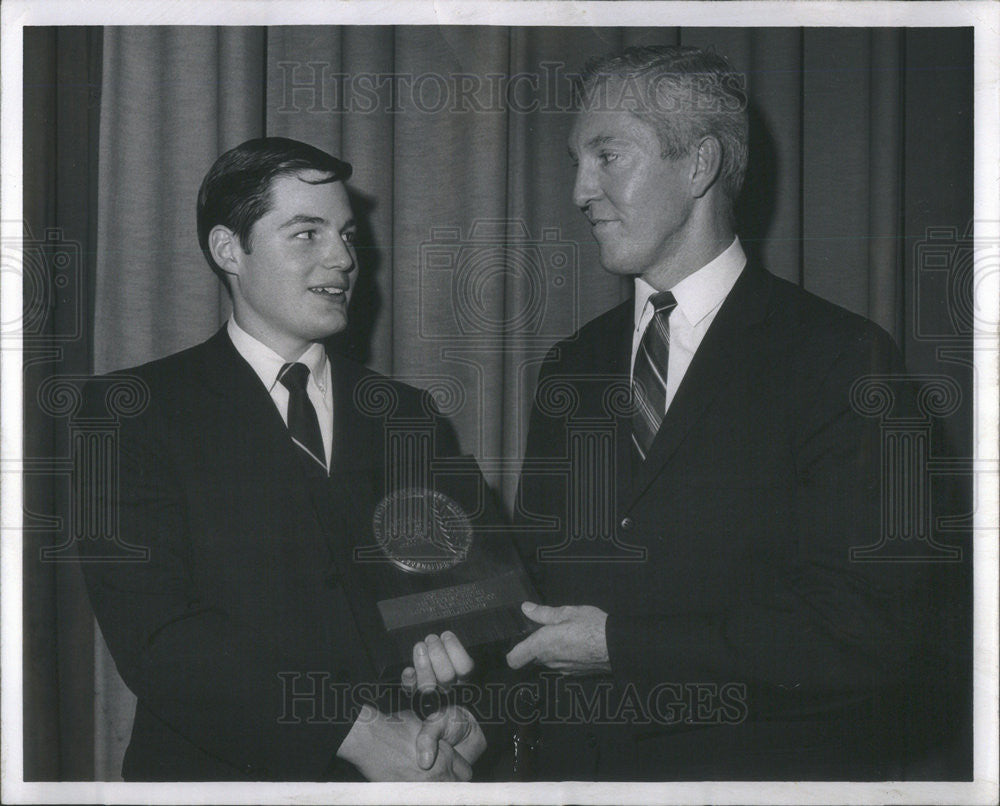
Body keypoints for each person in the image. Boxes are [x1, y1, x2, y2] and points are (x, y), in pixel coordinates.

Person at [404, 45, 959, 780]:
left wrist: (623, 646)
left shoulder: (842, 359)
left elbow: (866, 631)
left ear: (698, 165)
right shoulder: (573, 364)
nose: (579, 189)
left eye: (607, 155)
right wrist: (483, 716)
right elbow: (545, 601)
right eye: (577, 160)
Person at [77, 137, 486, 781]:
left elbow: (472, 600)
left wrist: (461, 710)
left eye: (347, 235)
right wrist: (360, 733)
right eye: (306, 233)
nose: (343, 258)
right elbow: (161, 639)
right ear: (226, 249)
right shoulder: (131, 412)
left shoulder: (409, 416)